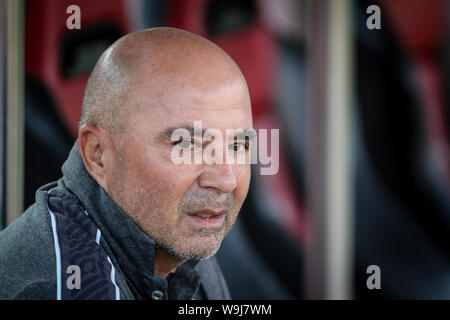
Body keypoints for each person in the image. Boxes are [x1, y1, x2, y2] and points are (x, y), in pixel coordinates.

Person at [0, 27, 253, 300]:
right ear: (98, 155)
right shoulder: (62, 288)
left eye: (237, 146)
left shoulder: (177, 236)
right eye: (187, 145)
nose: (226, 179)